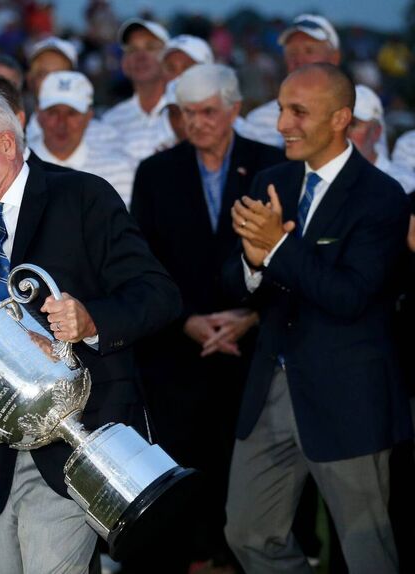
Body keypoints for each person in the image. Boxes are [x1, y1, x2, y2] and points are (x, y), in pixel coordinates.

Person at [0, 92, 182, 574]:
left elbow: (158, 294)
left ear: (7, 143)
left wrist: (91, 320)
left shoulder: (82, 197)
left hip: (81, 439)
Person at [223, 63, 411, 573]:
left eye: (298, 111)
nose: (283, 122)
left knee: (367, 551)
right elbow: (235, 276)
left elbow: (349, 296)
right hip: (270, 392)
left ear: (340, 118)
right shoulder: (271, 180)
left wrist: (278, 246)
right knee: (247, 533)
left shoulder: (381, 196)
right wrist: (254, 262)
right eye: (282, 108)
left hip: (349, 396)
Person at [129, 63, 284, 572]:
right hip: (178, 351)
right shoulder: (156, 172)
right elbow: (143, 261)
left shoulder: (272, 168)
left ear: (235, 108)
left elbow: (284, 257)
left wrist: (249, 316)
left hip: (250, 351)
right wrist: (188, 320)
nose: (197, 122)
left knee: (249, 472)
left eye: (208, 112)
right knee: (178, 469)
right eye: (187, 113)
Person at [33, 70, 134, 204]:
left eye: (72, 113)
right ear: (38, 115)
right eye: (53, 112)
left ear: (89, 117)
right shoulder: (17, 167)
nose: (62, 123)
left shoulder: (118, 170)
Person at [241, 14, 340, 148]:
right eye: (292, 52)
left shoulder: (357, 117)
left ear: (334, 58)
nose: (299, 59)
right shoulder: (259, 122)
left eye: (309, 51)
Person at [102, 18, 175, 164]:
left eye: (151, 47)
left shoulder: (185, 114)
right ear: (124, 63)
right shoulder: (110, 121)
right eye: (133, 50)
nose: (141, 57)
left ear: (167, 58)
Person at [349, 84, 415, 193]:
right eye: (338, 123)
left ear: (376, 131)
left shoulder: (403, 185)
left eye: (353, 124)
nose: (343, 133)